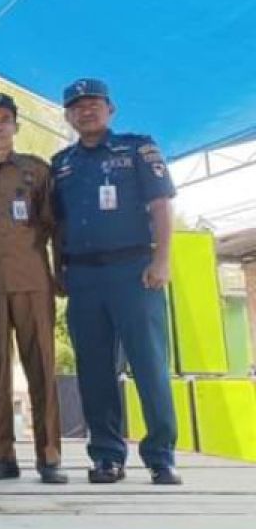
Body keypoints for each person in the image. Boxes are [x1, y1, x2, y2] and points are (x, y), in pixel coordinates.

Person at [52, 78, 180, 485]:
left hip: (135, 270)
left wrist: (162, 259)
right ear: (68, 116)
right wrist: (59, 268)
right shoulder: (61, 164)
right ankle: (107, 456)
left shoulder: (137, 148)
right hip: (84, 275)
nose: (85, 111)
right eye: (76, 106)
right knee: (94, 369)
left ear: (111, 109)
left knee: (149, 365)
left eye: (93, 104)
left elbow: (161, 204)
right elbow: (58, 223)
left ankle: (161, 456)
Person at [0, 93, 66, 484]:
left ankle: (49, 456)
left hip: (32, 280)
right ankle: (0, 456)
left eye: (4, 119)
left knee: (41, 369)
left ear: (16, 126)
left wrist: (61, 272)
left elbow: (54, 225)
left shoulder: (37, 171)